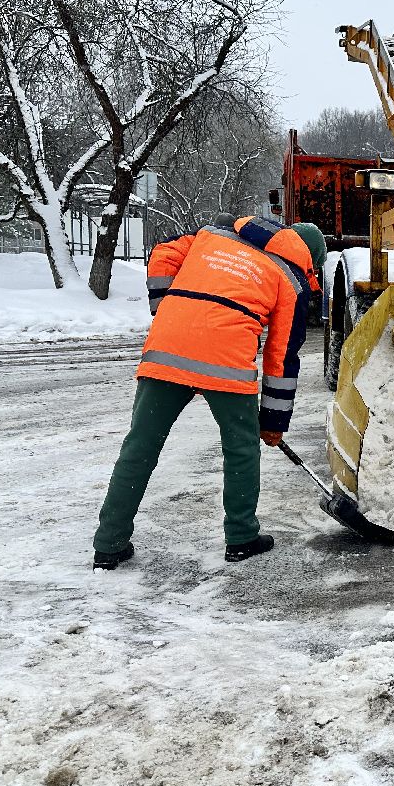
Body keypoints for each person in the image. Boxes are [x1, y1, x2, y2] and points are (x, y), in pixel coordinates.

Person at [91, 215, 327, 569]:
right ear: (309, 260)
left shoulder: (212, 235)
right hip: (227, 363)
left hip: (167, 349)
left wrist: (168, 310)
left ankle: (109, 544)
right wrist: (273, 423)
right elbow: (281, 357)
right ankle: (242, 538)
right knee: (241, 449)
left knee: (140, 446)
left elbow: (163, 254)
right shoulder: (291, 279)